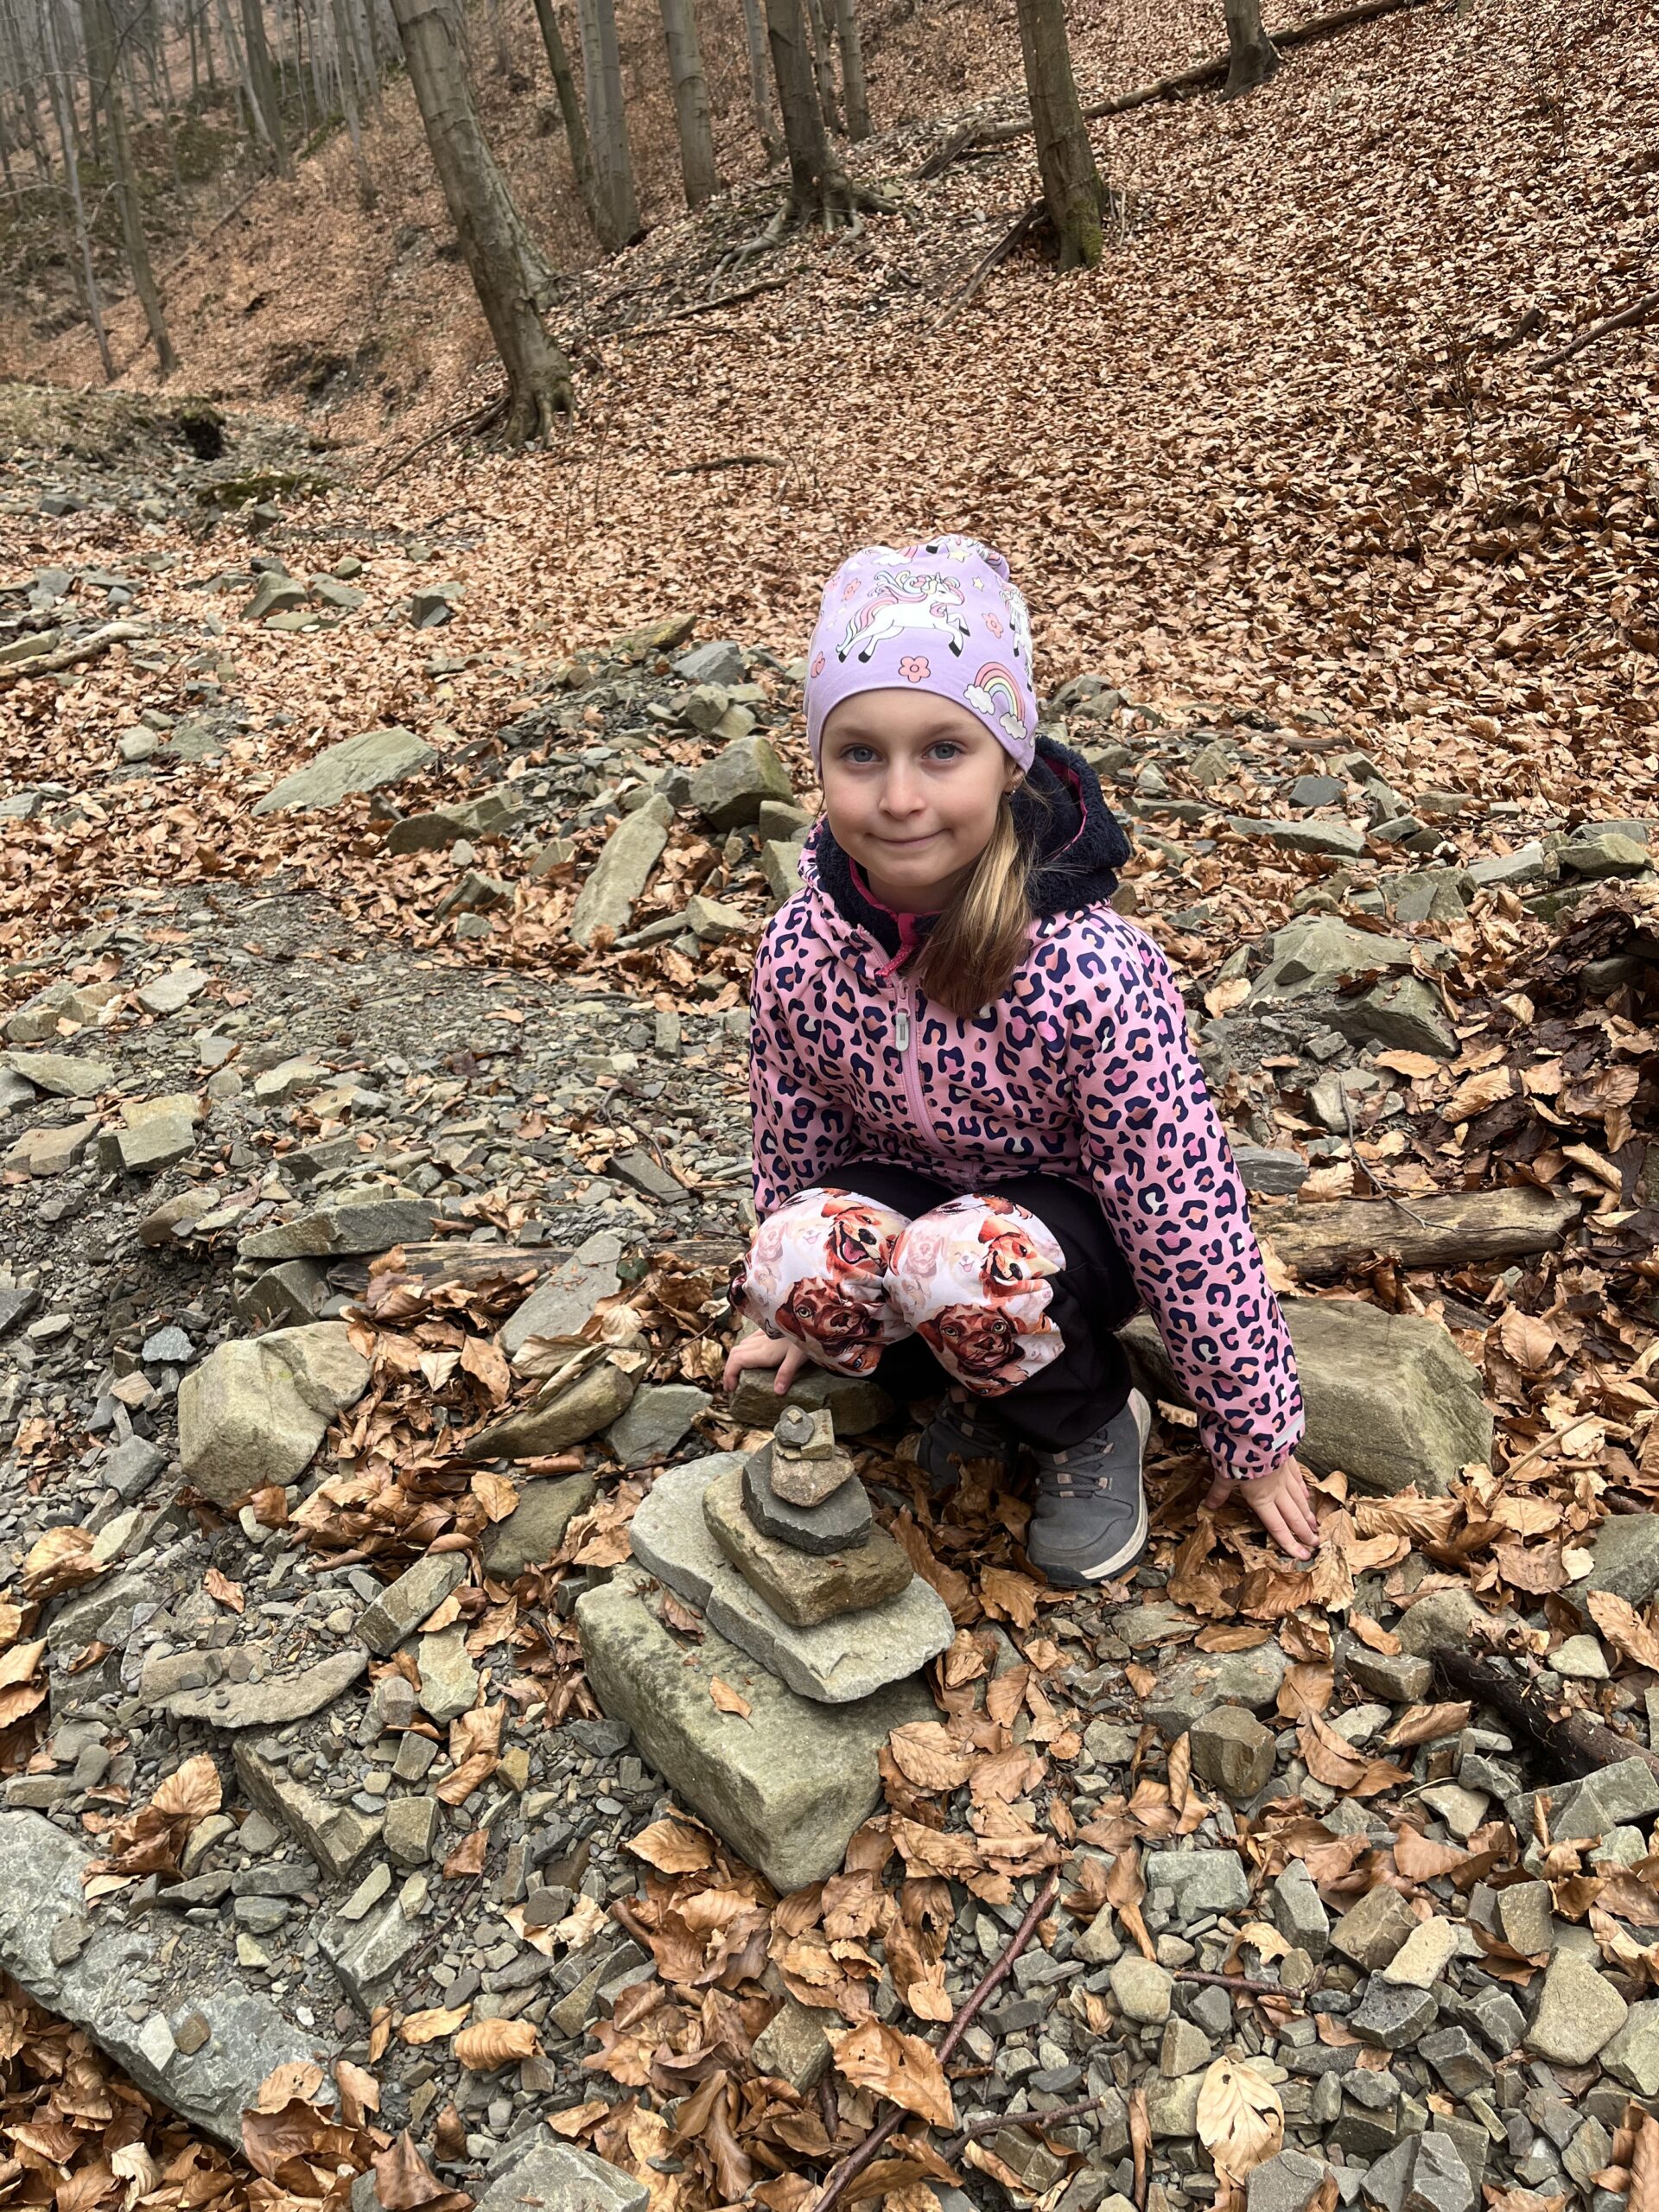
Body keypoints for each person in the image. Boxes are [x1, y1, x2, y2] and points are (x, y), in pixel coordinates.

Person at [721, 534, 1318, 1584]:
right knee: (793, 1254)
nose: (899, 797)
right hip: (919, 1201)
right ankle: (959, 1379)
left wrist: (1253, 1429)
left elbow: (1184, 1207)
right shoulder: (805, 946)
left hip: (1068, 1237)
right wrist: (791, 1309)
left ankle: (1091, 1418)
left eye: (943, 750)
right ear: (817, 763)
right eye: (860, 754)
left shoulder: (1088, 971)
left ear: (1010, 759)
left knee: (960, 1262)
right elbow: (794, 1140)